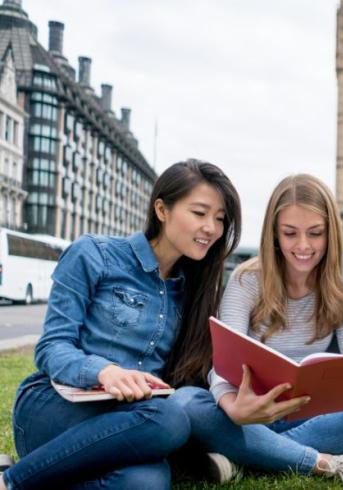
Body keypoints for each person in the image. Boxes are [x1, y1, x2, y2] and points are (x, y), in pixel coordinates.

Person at [0, 160, 241, 490]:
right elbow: (51, 347)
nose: (211, 228)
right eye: (200, 213)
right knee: (169, 418)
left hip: (130, 425)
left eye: (219, 218)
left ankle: (35, 476)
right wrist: (105, 372)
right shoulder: (94, 254)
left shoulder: (193, 291)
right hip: (56, 407)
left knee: (148, 481)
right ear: (162, 209)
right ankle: (11, 481)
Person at [172, 174, 343, 484]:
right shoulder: (246, 280)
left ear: (330, 234)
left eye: (315, 233)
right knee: (185, 403)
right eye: (290, 233)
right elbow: (222, 367)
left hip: (309, 415)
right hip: (248, 413)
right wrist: (234, 408)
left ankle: (253, 457)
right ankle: (323, 463)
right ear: (274, 235)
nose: (303, 246)